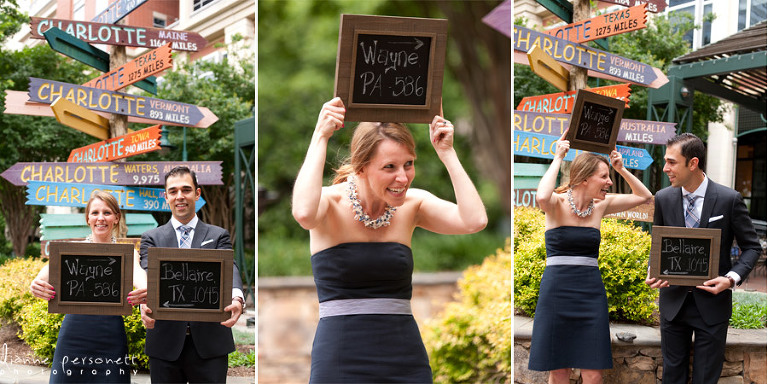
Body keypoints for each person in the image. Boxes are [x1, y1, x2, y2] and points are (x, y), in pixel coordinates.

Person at [292, 97, 487, 383]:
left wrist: (447, 153)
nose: (403, 177)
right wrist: (320, 135)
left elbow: (474, 221)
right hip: (341, 355)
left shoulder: (413, 204)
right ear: (361, 167)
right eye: (390, 167)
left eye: (408, 164)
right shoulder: (329, 204)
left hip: (404, 355)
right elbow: (304, 214)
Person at [528, 134, 652, 384]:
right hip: (557, 292)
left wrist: (621, 169)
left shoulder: (601, 207)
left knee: (593, 373)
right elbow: (541, 197)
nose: (609, 182)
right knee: (559, 370)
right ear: (584, 178)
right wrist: (558, 156)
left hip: (590, 294)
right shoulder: (556, 204)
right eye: (604, 177)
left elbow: (644, 196)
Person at [645, 133, 761, 384]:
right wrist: (653, 269)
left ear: (693, 163)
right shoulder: (663, 198)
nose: (666, 168)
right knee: (672, 377)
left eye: (672, 162)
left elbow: (752, 247)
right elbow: (659, 244)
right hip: (673, 304)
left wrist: (730, 279)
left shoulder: (729, 199)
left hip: (713, 304)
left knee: (706, 378)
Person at [139, 166, 245, 384]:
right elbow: (148, 274)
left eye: (186, 190)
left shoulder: (218, 236)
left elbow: (229, 267)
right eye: (174, 191)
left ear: (197, 193)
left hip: (210, 343)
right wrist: (144, 300)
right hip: (164, 342)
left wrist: (236, 297)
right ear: (166, 196)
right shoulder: (151, 238)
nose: (180, 196)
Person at [29, 191, 147, 383]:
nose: (101, 218)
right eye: (95, 213)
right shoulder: (72, 251)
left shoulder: (126, 254)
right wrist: (35, 286)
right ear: (88, 218)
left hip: (110, 339)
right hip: (73, 337)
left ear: (116, 218)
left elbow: (141, 278)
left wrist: (145, 292)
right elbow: (39, 279)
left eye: (107, 213)